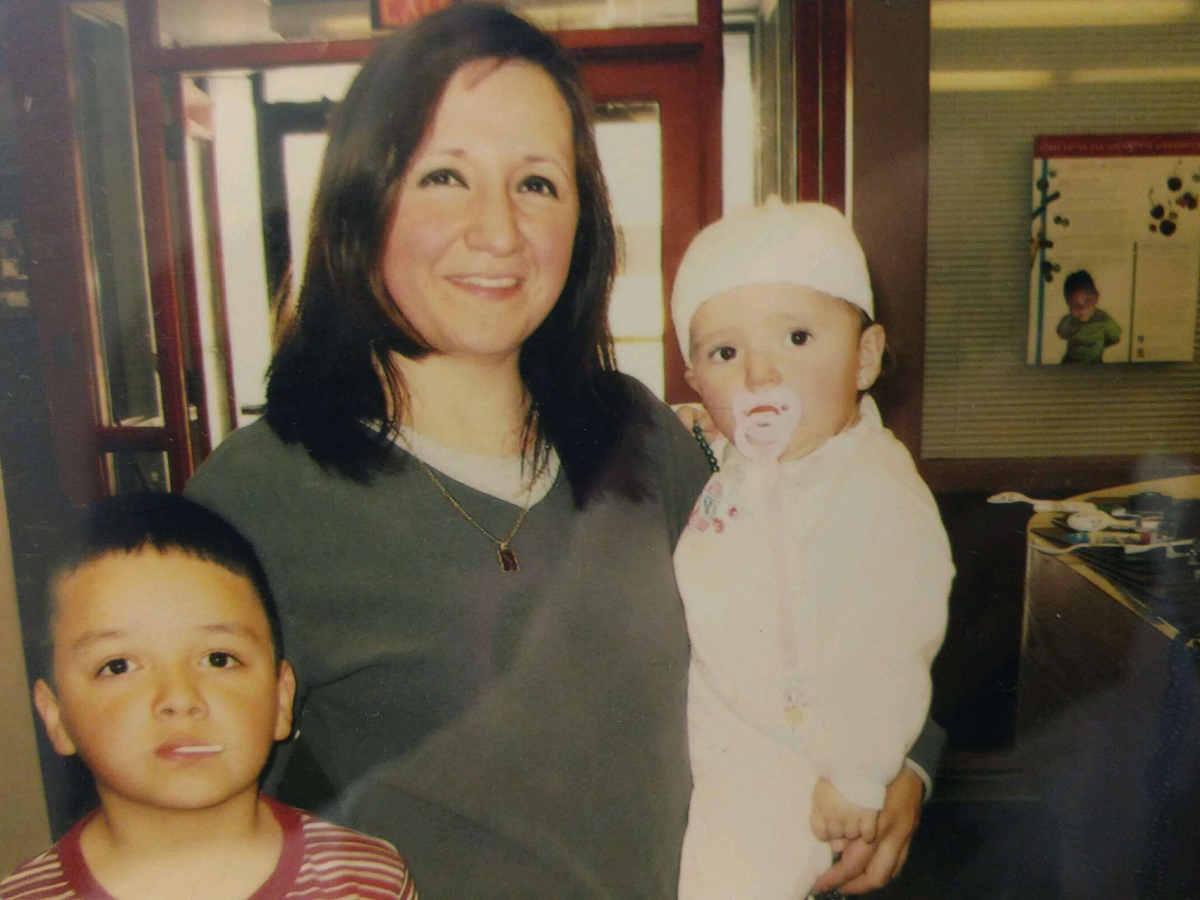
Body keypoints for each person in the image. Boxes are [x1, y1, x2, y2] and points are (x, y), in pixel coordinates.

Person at [186, 5, 939, 897]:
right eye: (445, 176)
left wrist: (907, 763)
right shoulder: (258, 497)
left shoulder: (638, 434)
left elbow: (832, 593)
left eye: (537, 183)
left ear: (583, 219)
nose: (498, 232)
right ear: (364, 198)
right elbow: (179, 812)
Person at [670, 199, 953, 899]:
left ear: (865, 357)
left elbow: (892, 636)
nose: (760, 375)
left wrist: (860, 771)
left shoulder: (872, 486)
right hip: (728, 749)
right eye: (725, 353)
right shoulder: (751, 463)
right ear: (696, 381)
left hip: (802, 766)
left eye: (797, 338)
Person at [1, 493, 416, 900]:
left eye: (219, 659)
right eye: (119, 666)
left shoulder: (367, 883)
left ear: (281, 697)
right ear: (56, 716)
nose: (180, 698)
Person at [1056, 269, 1121, 363]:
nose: (1082, 309)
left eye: (1087, 301)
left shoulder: (1103, 320)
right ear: (1068, 303)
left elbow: (1115, 338)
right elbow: (1061, 333)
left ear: (1096, 297)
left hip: (1094, 364)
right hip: (1070, 364)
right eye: (1075, 304)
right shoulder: (1069, 320)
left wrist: (1100, 343)